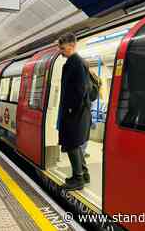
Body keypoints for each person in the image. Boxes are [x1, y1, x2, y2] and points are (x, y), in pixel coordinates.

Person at [57, 32, 91, 191]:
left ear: (72, 46)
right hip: (77, 112)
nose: (61, 51)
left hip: (75, 113)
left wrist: (70, 109)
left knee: (72, 144)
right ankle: (83, 173)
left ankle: (78, 179)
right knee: (75, 143)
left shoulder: (76, 63)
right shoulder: (75, 62)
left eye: (63, 48)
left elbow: (80, 89)